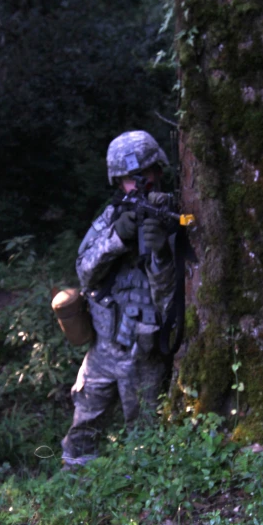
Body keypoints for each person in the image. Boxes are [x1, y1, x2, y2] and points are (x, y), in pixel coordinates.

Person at [61, 130, 179, 467]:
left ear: (160, 170)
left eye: (149, 173)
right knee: (82, 435)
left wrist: (160, 255)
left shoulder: (172, 219)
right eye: (132, 178)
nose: (143, 183)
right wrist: (116, 237)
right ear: (119, 181)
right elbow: (84, 271)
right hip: (103, 348)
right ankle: (76, 498)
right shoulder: (113, 217)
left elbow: (171, 301)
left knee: (145, 440)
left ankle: (142, 508)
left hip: (145, 353)